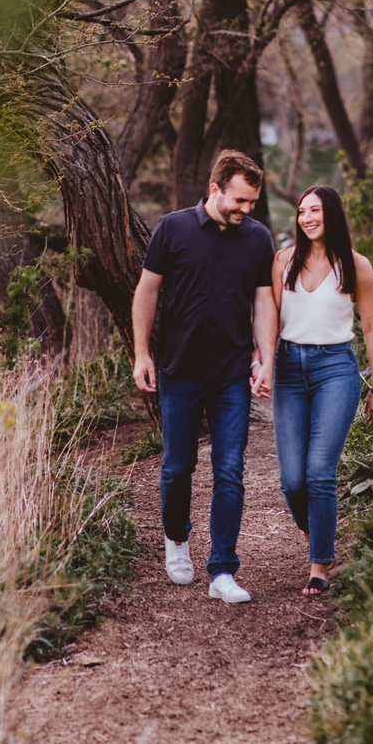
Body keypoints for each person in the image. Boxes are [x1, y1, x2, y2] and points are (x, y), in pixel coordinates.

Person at [132, 150, 276, 604]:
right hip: (179, 370)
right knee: (178, 467)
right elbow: (147, 291)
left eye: (252, 202)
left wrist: (265, 357)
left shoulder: (257, 239)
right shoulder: (173, 229)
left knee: (230, 470)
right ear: (215, 189)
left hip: (232, 374)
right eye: (239, 200)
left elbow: (265, 302)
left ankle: (223, 570)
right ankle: (176, 539)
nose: (246, 210)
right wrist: (141, 353)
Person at [255, 185, 373, 596]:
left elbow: (372, 326)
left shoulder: (355, 265)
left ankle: (319, 565)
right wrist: (265, 363)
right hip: (291, 369)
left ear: (332, 214)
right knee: (293, 481)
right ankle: (322, 537)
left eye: (316, 210)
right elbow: (271, 319)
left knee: (319, 474)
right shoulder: (283, 261)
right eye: (301, 211)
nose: (308, 218)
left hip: (336, 369)